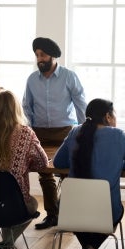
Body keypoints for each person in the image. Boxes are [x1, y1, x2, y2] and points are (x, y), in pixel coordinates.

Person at [53, 98, 125, 249]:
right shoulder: (118, 135)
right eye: (115, 114)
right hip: (106, 212)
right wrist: (118, 161)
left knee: (82, 218)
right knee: (111, 212)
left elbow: (58, 163)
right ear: (108, 116)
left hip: (70, 211)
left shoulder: (74, 132)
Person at [0, 89, 49, 249]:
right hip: (14, 205)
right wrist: (25, 164)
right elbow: (43, 162)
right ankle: (6, 247)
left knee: (3, 201)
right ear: (16, 109)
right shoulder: (26, 133)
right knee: (33, 204)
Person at [22, 37, 87, 229]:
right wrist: (31, 128)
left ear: (53, 56)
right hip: (40, 132)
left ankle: (68, 215)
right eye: (37, 55)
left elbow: (81, 104)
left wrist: (85, 131)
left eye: (42, 55)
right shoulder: (32, 79)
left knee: (67, 173)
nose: (39, 59)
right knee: (45, 174)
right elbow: (27, 105)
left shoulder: (69, 76)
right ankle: (52, 214)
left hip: (65, 132)